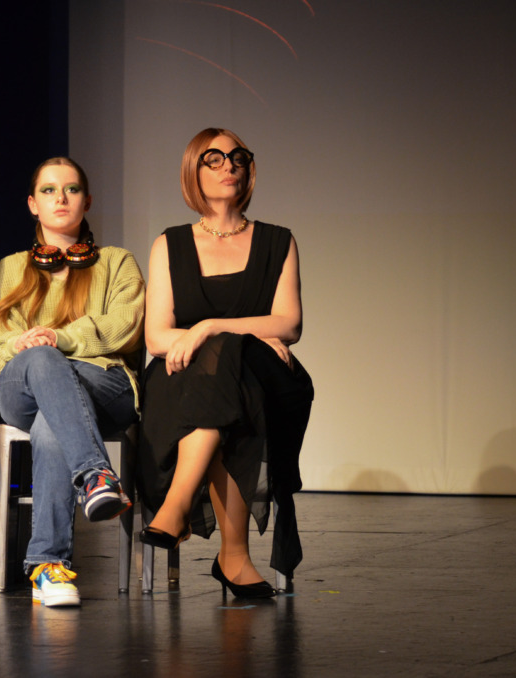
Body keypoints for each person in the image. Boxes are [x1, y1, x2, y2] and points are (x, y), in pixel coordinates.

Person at [138, 128, 314, 598]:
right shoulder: (169, 244)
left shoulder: (278, 241)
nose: (228, 165)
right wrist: (222, 335)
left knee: (228, 360)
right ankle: (233, 556)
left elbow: (289, 324)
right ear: (192, 171)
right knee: (221, 376)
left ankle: (176, 506)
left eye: (237, 157)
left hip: (269, 378)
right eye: (213, 158)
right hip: (182, 378)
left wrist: (210, 327)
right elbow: (157, 337)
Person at [0, 157, 145, 607]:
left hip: (106, 385)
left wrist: (60, 336)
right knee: (43, 361)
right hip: (22, 384)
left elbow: (127, 327)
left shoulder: (117, 262)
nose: (61, 198)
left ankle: (48, 568)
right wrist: (34, 347)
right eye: (49, 191)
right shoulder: (11, 268)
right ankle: (94, 475)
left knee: (53, 422)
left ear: (86, 200)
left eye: (71, 189)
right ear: (33, 204)